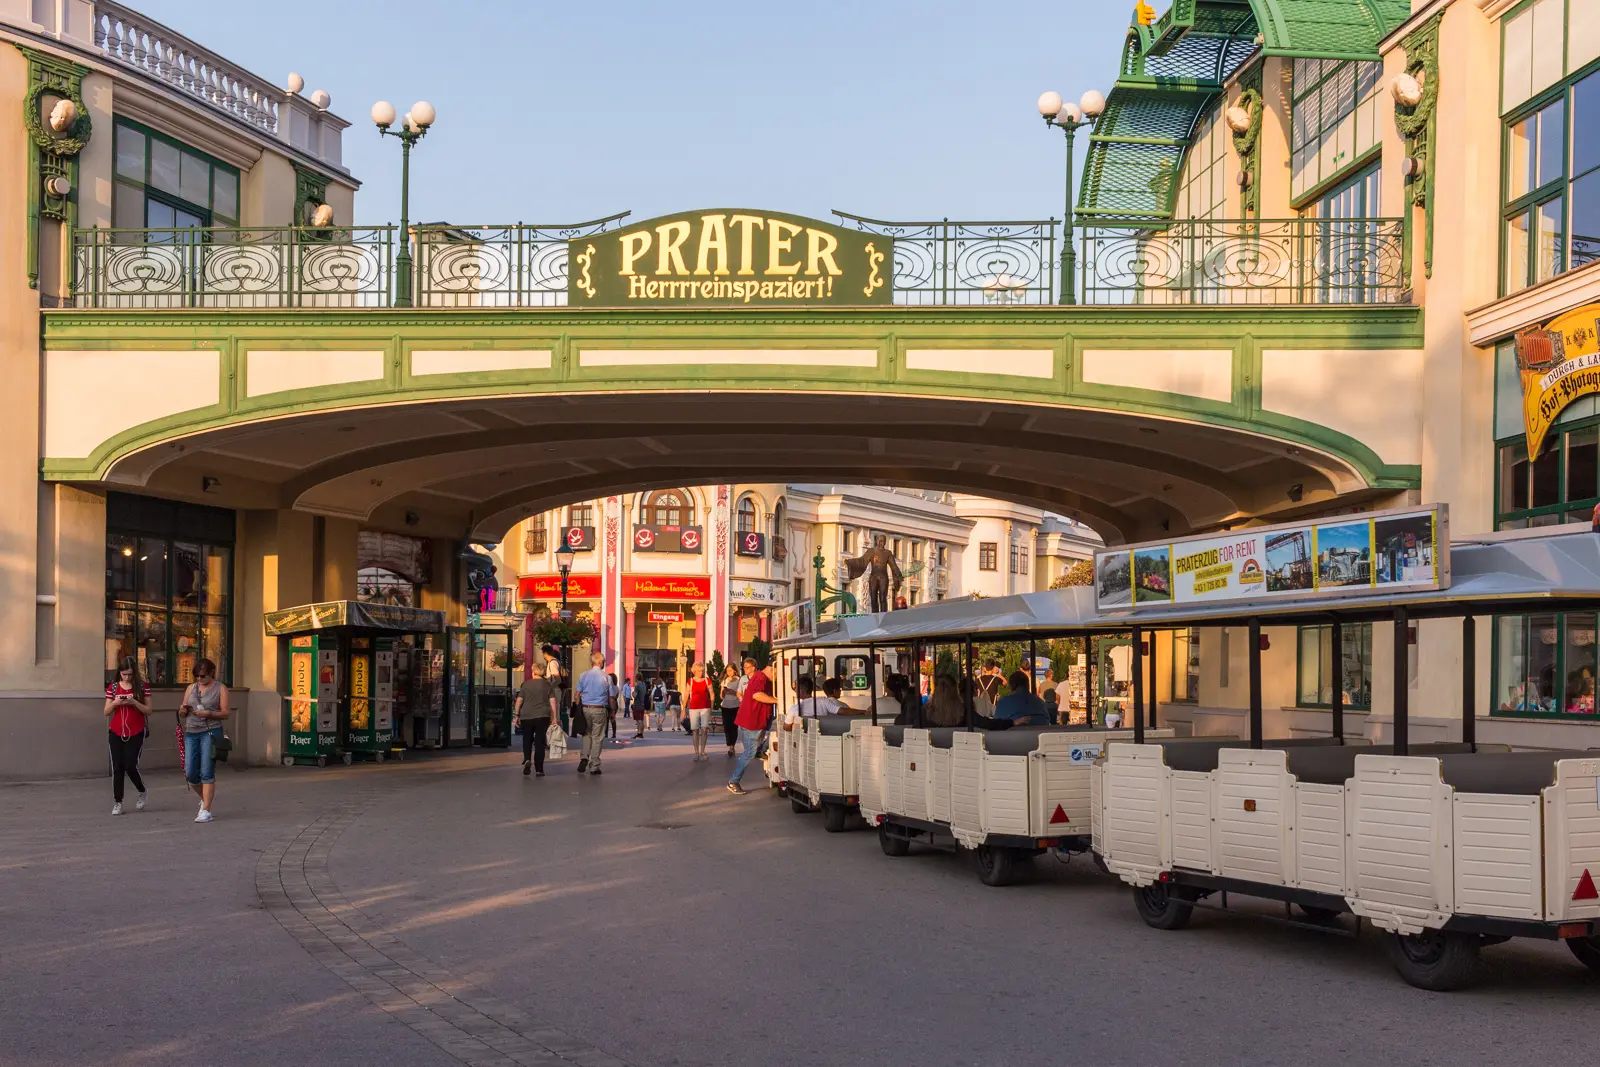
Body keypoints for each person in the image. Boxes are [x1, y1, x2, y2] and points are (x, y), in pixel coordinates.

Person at [179, 658, 229, 823]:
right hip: (191, 731)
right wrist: (183, 711)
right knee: (190, 772)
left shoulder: (220, 688)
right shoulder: (190, 688)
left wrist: (208, 713)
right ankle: (205, 799)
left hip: (210, 732)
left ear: (211, 674)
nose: (199, 680)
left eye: (203, 676)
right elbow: (184, 708)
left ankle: (206, 810)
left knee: (206, 771)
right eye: (197, 677)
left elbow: (225, 713)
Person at [104, 657, 152, 815]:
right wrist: (115, 703)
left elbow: (148, 710)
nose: (127, 678)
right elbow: (106, 712)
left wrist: (134, 702)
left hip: (135, 730)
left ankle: (142, 790)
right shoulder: (113, 687)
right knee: (117, 767)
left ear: (135, 673)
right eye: (124, 674)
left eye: (130, 674)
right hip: (116, 731)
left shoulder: (142, 687)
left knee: (130, 765)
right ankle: (118, 802)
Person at [727, 657, 776, 795]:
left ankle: (760, 749)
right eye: (777, 672)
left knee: (778, 728)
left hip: (759, 720)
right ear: (772, 668)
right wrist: (777, 700)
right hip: (751, 722)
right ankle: (733, 781)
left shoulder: (764, 678)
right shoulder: (760, 678)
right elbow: (757, 695)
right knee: (748, 753)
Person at [514, 661, 558, 777]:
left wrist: (516, 715)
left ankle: (527, 759)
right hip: (542, 716)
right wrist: (554, 717)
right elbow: (553, 701)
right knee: (539, 742)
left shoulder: (526, 684)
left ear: (533, 672)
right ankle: (539, 769)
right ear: (543, 672)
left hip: (526, 715)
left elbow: (519, 701)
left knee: (527, 738)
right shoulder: (547, 685)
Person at [574, 652, 612, 775]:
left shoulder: (583, 675)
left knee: (586, 734)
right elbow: (611, 697)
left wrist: (579, 708)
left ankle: (584, 757)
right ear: (601, 663)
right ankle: (594, 765)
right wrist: (612, 711)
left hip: (585, 708)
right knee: (597, 737)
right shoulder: (606, 677)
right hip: (599, 709)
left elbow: (577, 695)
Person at [685, 662, 715, 761]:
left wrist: (711, 706)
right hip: (693, 708)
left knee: (704, 729)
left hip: (705, 707)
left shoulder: (707, 680)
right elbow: (686, 695)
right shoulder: (690, 681)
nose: (701, 672)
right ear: (694, 671)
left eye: (702, 670)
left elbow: (711, 693)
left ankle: (702, 751)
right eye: (699, 671)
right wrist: (683, 709)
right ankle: (696, 752)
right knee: (695, 730)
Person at [719, 663, 742, 758]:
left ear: (735, 670)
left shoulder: (739, 680)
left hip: (735, 706)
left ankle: (732, 747)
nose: (729, 672)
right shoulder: (725, 680)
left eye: (730, 670)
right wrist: (724, 692)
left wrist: (731, 692)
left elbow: (740, 694)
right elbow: (721, 696)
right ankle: (729, 744)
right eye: (727, 670)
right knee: (726, 727)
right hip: (725, 706)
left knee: (734, 727)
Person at [607, 672, 620, 739]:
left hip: (609, 702)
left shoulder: (609, 686)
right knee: (612, 719)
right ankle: (614, 733)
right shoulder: (616, 687)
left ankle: (605, 733)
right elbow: (617, 696)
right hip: (615, 703)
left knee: (606, 719)